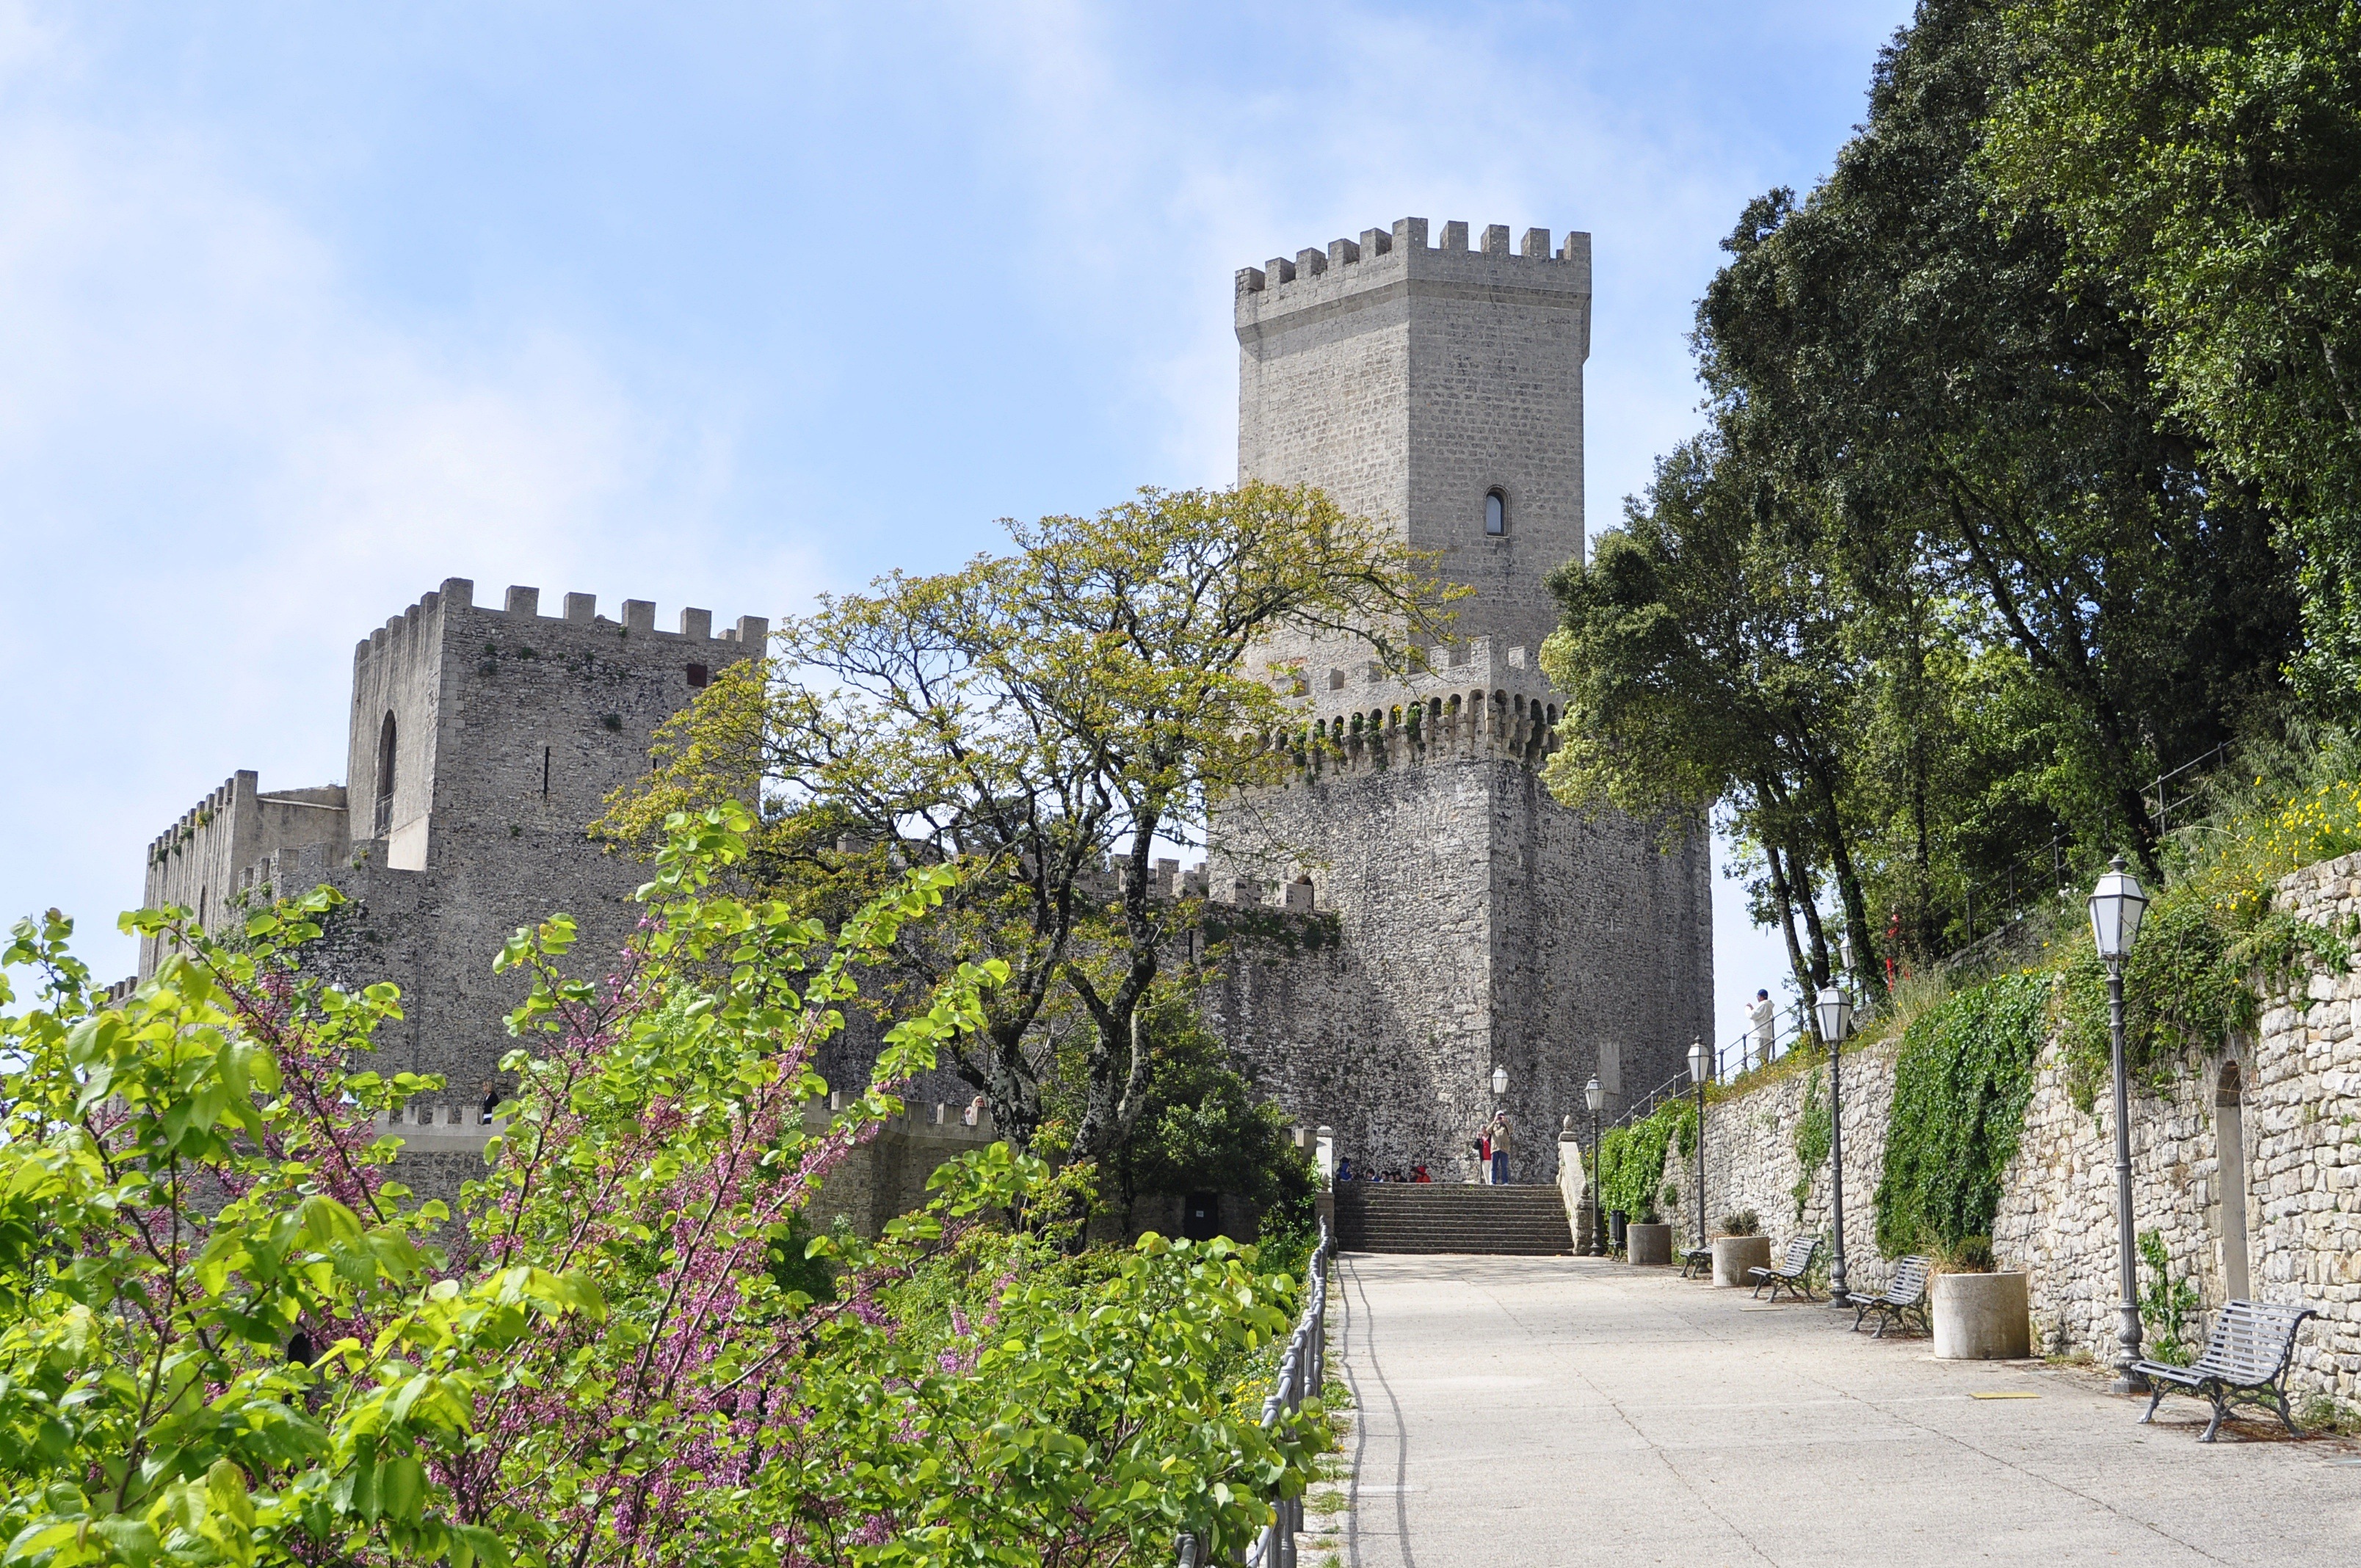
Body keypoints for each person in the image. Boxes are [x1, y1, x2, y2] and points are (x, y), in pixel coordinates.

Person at [1749, 988, 1778, 1067]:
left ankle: (1765, 1070)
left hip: (1761, 1033)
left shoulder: (1763, 1005)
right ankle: (1765, 1069)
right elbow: (1759, 1015)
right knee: (1765, 1055)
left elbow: (1752, 1015)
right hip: (1767, 1034)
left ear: (1761, 997)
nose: (1757, 998)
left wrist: (1747, 1009)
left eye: (1758, 996)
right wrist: (1753, 1009)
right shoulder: (1768, 1006)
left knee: (1761, 1055)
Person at [1490, 1114, 1512, 1185]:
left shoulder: (1505, 1125)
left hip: (1504, 1149)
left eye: (1501, 1116)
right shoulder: (1494, 1126)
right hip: (1495, 1148)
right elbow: (1488, 1130)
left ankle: (1505, 1182)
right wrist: (1494, 1121)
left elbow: (1511, 1130)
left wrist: (1506, 1122)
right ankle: (1493, 1181)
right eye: (1499, 1116)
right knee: (1494, 1166)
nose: (1500, 1118)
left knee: (1504, 1167)